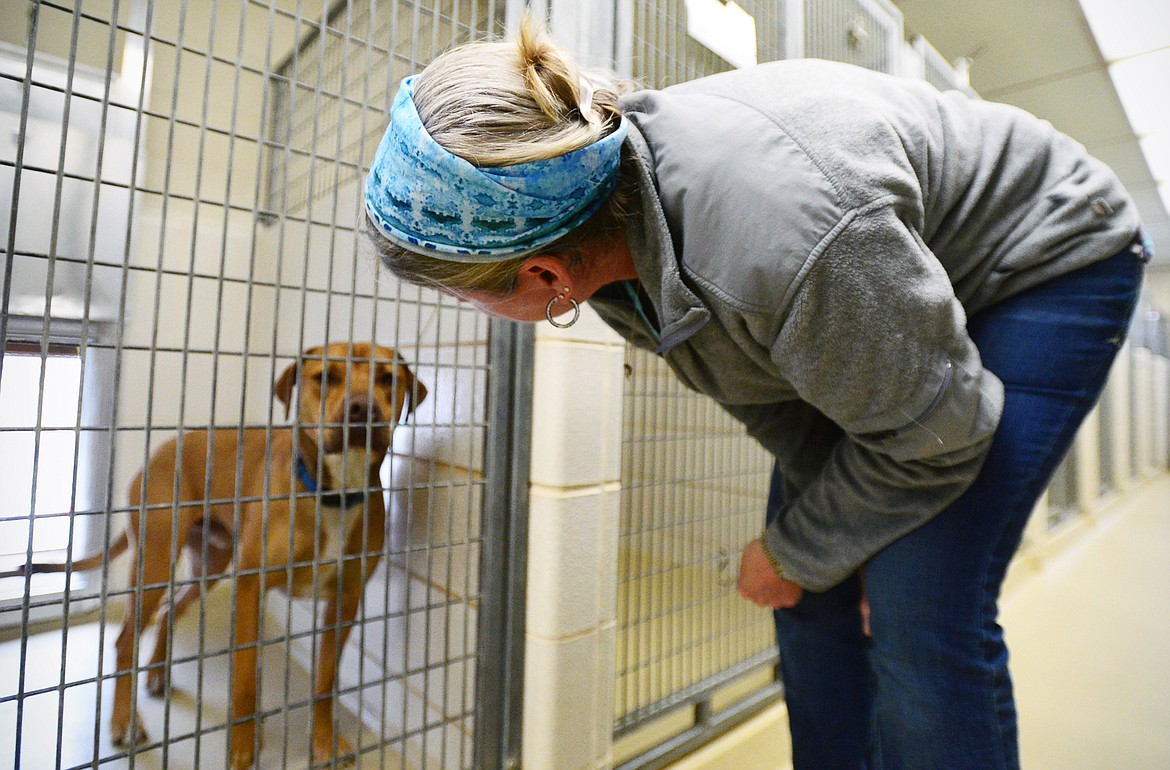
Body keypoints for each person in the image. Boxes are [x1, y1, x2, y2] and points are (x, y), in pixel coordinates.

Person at [362, 17, 1152, 770]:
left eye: (467, 296)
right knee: (813, 591)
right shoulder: (607, 228)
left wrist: (805, 547)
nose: (475, 312)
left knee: (921, 612)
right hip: (888, 294)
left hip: (1046, 257)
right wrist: (828, 551)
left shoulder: (777, 247)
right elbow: (779, 405)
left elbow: (939, 430)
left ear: (542, 276)